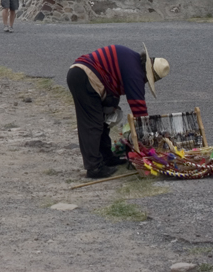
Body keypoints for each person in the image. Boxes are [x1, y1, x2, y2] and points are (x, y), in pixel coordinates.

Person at [67, 44, 170, 179]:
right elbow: (139, 109)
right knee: (92, 124)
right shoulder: (135, 73)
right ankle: (94, 168)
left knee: (103, 122)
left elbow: (113, 78)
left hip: (86, 76)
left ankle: (106, 158)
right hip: (84, 77)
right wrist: (146, 135)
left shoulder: (132, 61)